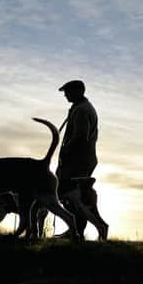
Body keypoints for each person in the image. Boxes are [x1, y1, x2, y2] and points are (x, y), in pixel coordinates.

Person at [54, 80, 107, 240]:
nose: (65, 95)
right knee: (72, 197)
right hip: (82, 159)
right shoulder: (81, 108)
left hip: (78, 161)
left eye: (67, 92)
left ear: (78, 91)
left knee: (71, 194)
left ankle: (76, 231)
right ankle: (76, 231)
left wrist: (66, 152)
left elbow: (80, 136)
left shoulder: (82, 110)